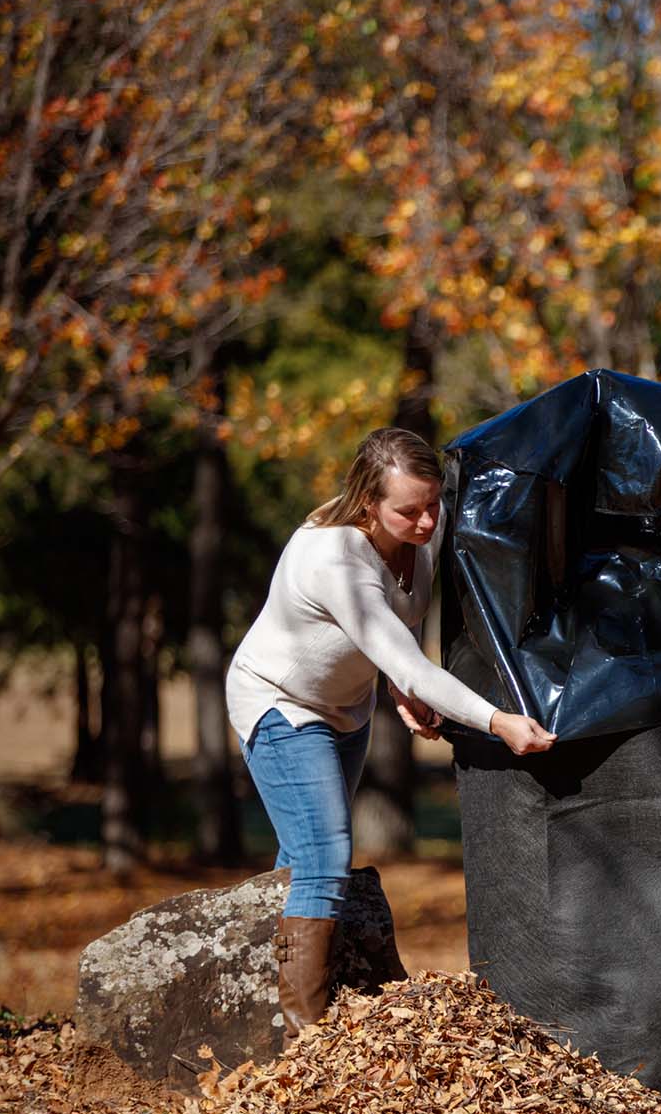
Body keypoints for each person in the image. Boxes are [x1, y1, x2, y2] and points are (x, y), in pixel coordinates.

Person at [227, 428, 555, 1042]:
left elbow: (390, 642)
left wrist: (395, 687)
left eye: (433, 503)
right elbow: (411, 662)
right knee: (323, 857)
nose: (428, 521)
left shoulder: (421, 531)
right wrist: (497, 720)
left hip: (345, 707)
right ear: (367, 503)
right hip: (280, 705)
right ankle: (305, 1044)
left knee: (302, 859)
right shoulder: (333, 558)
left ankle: (265, 1014)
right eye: (409, 511)